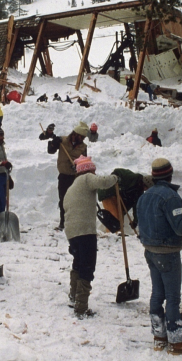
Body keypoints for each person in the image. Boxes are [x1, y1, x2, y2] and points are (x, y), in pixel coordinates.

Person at [137, 158, 182, 354]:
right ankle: (177, 343)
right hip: (167, 254)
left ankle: (159, 337)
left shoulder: (144, 196)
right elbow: (180, 228)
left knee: (157, 294)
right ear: (169, 174)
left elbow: (139, 224)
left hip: (150, 252)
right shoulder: (170, 197)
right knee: (172, 297)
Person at [63, 156, 117, 318]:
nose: (95, 173)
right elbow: (104, 182)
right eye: (93, 170)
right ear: (88, 170)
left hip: (72, 232)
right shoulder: (87, 179)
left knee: (78, 263)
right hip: (85, 231)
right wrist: (116, 178)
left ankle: (74, 296)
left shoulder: (72, 187)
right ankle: (81, 307)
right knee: (87, 267)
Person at [48, 122, 90, 230]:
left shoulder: (83, 147)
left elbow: (84, 163)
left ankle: (74, 223)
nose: (82, 139)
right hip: (63, 176)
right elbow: (50, 151)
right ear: (75, 134)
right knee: (63, 200)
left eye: (84, 137)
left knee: (75, 200)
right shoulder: (62, 141)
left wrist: (78, 166)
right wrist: (53, 144)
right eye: (81, 136)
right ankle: (63, 223)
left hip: (76, 177)